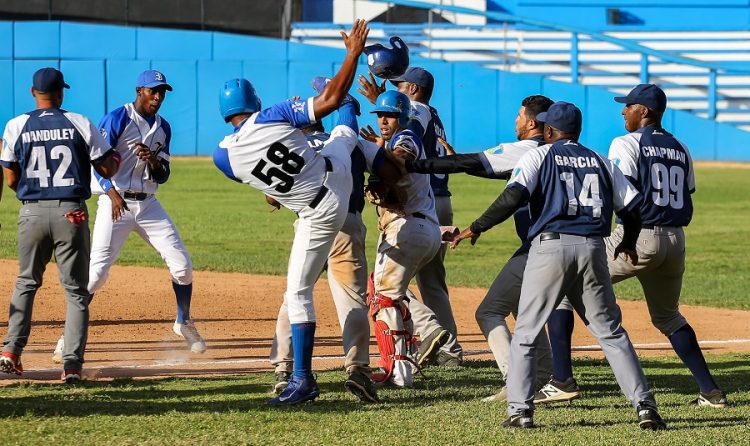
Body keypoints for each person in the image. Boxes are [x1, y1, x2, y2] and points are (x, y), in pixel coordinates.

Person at [451, 101, 667, 430]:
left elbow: (512, 198)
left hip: (550, 248)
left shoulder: (538, 155)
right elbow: (633, 209)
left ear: (548, 130)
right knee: (611, 333)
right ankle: (644, 405)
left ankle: (520, 410)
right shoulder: (601, 160)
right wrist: (626, 241)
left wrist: (477, 226)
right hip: (594, 250)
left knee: (526, 331)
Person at [539, 84, 729, 408]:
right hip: (675, 241)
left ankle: (561, 380)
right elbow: (689, 190)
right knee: (669, 317)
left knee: (563, 288)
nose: (623, 111)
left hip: (636, 237)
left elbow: (623, 195)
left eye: (628, 106)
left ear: (644, 111)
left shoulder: (626, 143)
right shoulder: (681, 147)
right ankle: (711, 392)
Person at [213, 19, 369, 406]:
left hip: (312, 208)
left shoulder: (223, 157)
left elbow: (271, 193)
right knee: (343, 134)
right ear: (255, 102)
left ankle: (302, 380)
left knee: (298, 292)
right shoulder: (273, 115)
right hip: (335, 189)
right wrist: (351, 54)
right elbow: (327, 102)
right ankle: (303, 377)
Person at [401, 95, 556, 401]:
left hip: (542, 248)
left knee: (490, 311)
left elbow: (472, 163)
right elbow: (484, 168)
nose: (516, 120)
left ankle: (517, 381)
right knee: (526, 304)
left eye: (519, 115)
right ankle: (550, 375)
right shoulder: (566, 153)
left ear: (532, 122)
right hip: (579, 245)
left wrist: (416, 165)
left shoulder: (527, 150)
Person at [50, 69, 206, 362]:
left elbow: (164, 175)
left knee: (183, 266)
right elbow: (97, 160)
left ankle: (183, 322)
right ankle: (68, 336)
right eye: (153, 91)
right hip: (115, 203)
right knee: (96, 275)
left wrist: (154, 163)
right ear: (139, 91)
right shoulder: (117, 118)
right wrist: (111, 195)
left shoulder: (164, 128)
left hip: (148, 205)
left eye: (162, 92)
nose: (158, 96)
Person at [0, 67, 120, 383]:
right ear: (61, 93)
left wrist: (36, 197)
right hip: (72, 213)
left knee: (26, 282)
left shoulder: (15, 125)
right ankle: (71, 367)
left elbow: (10, 177)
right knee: (76, 293)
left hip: (32, 213)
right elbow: (106, 168)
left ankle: (10, 353)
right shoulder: (79, 122)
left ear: (32, 92)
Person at [269, 83, 377, 403]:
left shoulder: (295, 145)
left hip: (311, 222)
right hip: (348, 222)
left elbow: (272, 197)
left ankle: (284, 368)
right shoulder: (347, 140)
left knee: (296, 294)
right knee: (353, 299)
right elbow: (385, 169)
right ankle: (357, 369)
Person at [359, 67, 463, 366]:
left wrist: (380, 155)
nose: (381, 119)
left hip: (418, 210)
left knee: (386, 288)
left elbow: (403, 151)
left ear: (414, 91)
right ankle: (446, 350)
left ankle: (431, 333)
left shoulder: (415, 115)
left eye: (400, 87)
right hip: (431, 205)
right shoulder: (430, 115)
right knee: (430, 283)